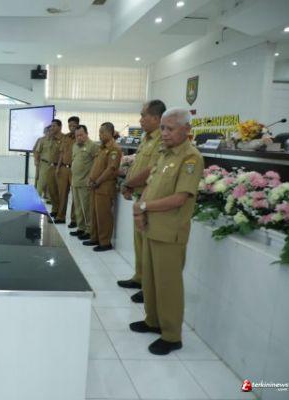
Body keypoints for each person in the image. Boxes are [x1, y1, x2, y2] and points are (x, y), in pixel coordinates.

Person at [129, 108, 203, 355]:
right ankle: (153, 321)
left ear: (186, 129)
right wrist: (140, 211)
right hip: (152, 227)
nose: (165, 133)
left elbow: (180, 198)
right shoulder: (164, 153)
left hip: (170, 232)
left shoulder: (190, 158)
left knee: (168, 285)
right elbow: (151, 186)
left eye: (170, 128)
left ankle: (171, 335)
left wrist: (143, 207)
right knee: (150, 281)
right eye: (162, 127)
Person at [117, 99, 166, 304]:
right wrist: (129, 184)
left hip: (150, 198)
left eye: (143, 115)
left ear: (156, 118)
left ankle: (148, 288)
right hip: (139, 197)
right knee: (139, 244)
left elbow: (151, 170)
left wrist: (128, 183)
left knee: (148, 247)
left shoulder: (161, 140)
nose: (140, 120)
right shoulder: (146, 138)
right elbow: (138, 164)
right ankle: (139, 277)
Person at [86, 122, 122, 251]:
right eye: (99, 132)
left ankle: (105, 242)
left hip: (104, 186)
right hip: (95, 186)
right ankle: (95, 238)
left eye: (102, 132)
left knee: (103, 216)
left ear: (110, 133)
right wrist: (91, 179)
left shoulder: (114, 149)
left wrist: (97, 181)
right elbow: (96, 166)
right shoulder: (102, 148)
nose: (100, 135)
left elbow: (110, 169)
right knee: (94, 214)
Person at [69, 125, 100, 241]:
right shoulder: (75, 146)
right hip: (75, 181)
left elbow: (97, 164)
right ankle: (81, 228)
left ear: (87, 134)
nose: (79, 138)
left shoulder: (93, 146)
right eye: (77, 136)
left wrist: (92, 178)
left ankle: (89, 230)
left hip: (85, 182)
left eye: (81, 135)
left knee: (87, 208)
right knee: (78, 207)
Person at [37, 120, 63, 218]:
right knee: (40, 186)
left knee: (54, 189)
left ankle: (56, 210)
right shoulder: (43, 140)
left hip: (57, 166)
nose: (51, 129)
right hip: (44, 164)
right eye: (50, 127)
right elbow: (37, 152)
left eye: (53, 127)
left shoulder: (62, 139)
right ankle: (36, 206)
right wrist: (37, 163)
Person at [56, 116, 79, 225]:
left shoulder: (80, 137)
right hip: (64, 168)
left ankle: (74, 219)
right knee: (62, 194)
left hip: (75, 170)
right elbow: (61, 153)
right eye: (70, 125)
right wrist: (58, 167)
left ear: (78, 125)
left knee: (75, 196)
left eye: (74, 125)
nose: (72, 127)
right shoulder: (65, 137)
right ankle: (61, 217)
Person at [33, 126, 51, 195]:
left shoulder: (55, 140)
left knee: (49, 182)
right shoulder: (41, 140)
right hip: (43, 163)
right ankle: (37, 196)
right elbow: (35, 151)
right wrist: (36, 161)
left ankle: (47, 196)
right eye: (47, 131)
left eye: (49, 131)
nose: (48, 132)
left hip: (52, 165)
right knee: (40, 181)